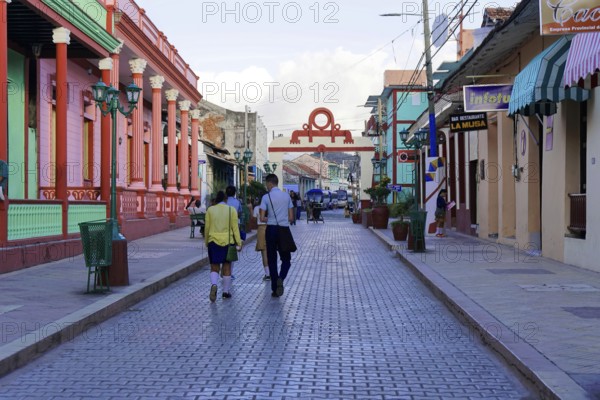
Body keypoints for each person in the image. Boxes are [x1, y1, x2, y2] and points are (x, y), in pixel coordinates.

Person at [260, 174, 294, 298]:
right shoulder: (286, 196)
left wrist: (270, 218)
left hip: (271, 230)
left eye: (266, 184)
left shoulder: (266, 197)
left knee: (272, 259)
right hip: (284, 230)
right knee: (286, 259)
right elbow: (291, 218)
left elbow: (262, 217)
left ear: (270, 183)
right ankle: (281, 277)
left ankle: (275, 288)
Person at [204, 191, 241, 302]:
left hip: (213, 241)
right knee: (227, 267)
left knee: (214, 266)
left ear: (216, 199)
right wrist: (239, 242)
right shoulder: (231, 210)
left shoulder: (210, 210)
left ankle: (214, 285)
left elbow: (207, 228)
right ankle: (225, 292)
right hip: (228, 242)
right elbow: (235, 228)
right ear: (226, 200)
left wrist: (207, 241)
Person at [225, 186, 243, 279]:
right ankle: (229, 273)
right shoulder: (237, 202)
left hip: (223, 227)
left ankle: (222, 270)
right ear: (234, 193)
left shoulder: (223, 202)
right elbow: (240, 212)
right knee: (231, 251)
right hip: (233, 227)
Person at [253, 196, 270, 281]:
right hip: (271, 228)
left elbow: (254, 219)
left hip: (261, 229)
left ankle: (267, 273)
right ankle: (272, 272)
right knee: (271, 252)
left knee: (264, 252)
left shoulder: (257, 208)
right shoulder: (270, 206)